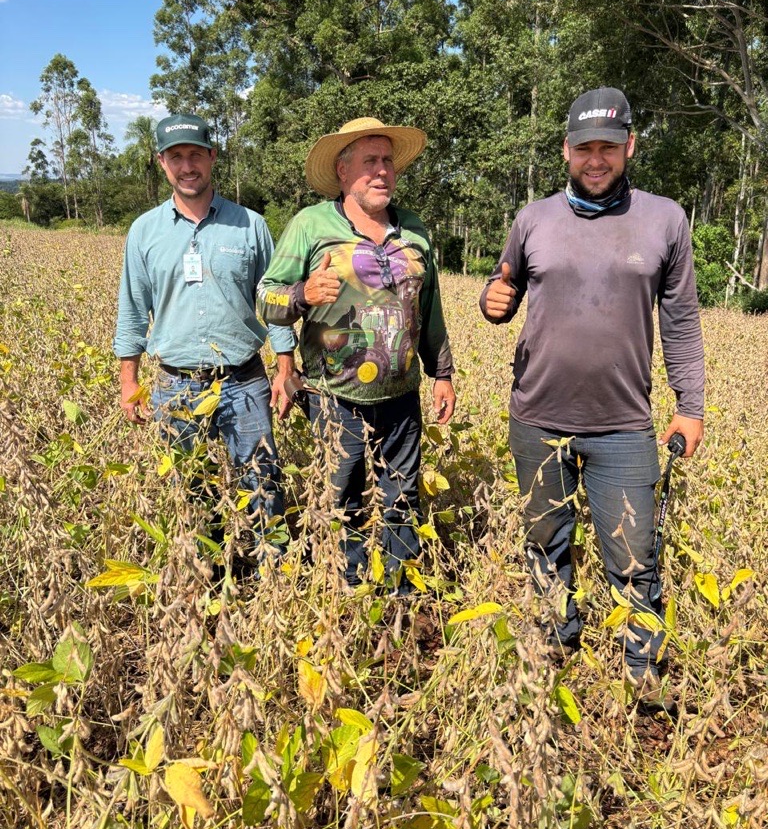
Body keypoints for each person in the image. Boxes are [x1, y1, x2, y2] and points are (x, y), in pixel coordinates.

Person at [480, 87, 705, 709]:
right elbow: (502, 290)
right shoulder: (533, 219)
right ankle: (554, 640)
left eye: (609, 146)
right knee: (545, 543)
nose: (596, 159)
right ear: (566, 151)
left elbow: (682, 320)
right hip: (536, 415)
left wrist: (692, 404)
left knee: (635, 551)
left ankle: (642, 670)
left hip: (623, 424)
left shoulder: (666, 220)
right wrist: (489, 304)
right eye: (585, 148)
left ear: (630, 146)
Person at [258, 117, 455, 593]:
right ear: (343, 172)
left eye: (388, 161)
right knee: (339, 495)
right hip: (333, 398)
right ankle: (343, 587)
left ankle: (399, 594)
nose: (382, 171)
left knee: (401, 497)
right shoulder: (312, 225)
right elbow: (266, 298)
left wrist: (442, 372)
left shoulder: (414, 229)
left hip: (402, 398)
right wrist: (304, 293)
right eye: (370, 162)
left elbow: (429, 307)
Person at [113, 113, 297, 569]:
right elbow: (133, 311)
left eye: (196, 153)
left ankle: (267, 576)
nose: (187, 165)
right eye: (176, 156)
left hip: (245, 382)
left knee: (260, 484)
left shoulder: (250, 226)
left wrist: (285, 369)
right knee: (189, 489)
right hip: (175, 385)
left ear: (212, 157)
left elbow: (273, 304)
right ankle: (205, 575)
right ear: (161, 163)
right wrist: (128, 381)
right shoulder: (144, 232)